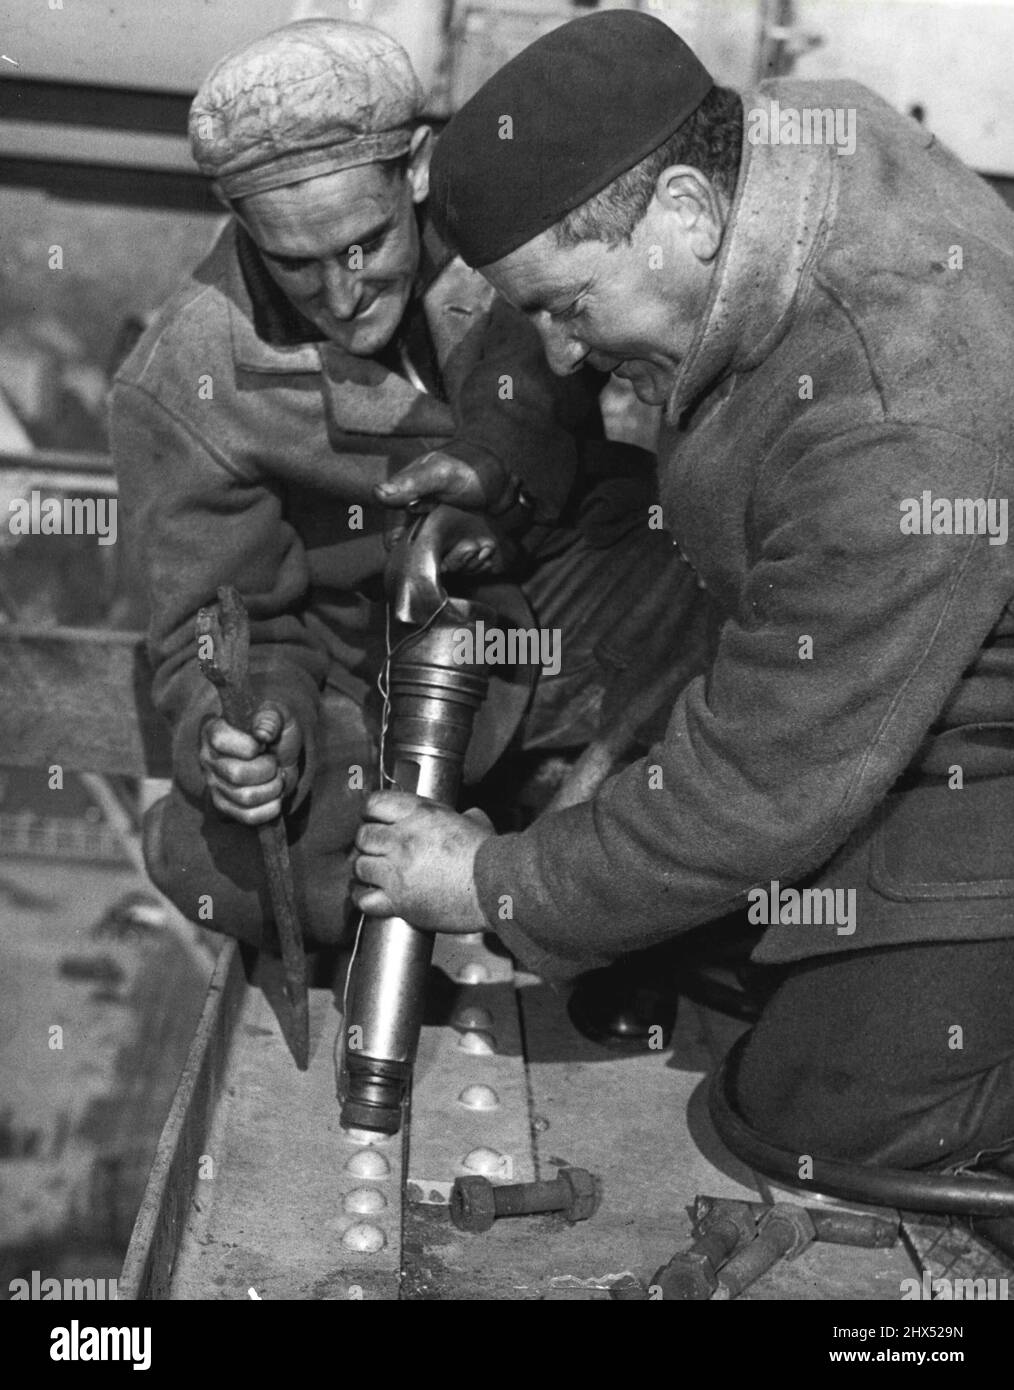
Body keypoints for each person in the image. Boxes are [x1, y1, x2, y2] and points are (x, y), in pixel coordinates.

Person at [351, 9, 1014, 1169]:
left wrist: (487, 882)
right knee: (674, 938)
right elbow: (528, 294)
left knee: (825, 1119)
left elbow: (763, 784)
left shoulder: (898, 421)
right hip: (878, 662)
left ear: (688, 217)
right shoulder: (783, 148)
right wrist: (503, 461)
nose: (559, 352)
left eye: (570, 308)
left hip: (981, 737)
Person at [113, 18, 697, 953]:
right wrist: (260, 733)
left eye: (365, 244)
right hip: (366, 686)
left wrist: (495, 472)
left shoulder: (506, 224)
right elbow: (226, 629)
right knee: (221, 857)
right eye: (294, 263)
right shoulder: (182, 382)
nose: (343, 294)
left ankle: (570, 852)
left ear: (416, 167)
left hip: (549, 600)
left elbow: (561, 386)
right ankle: (516, 861)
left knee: (717, 571)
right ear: (242, 225)